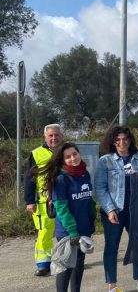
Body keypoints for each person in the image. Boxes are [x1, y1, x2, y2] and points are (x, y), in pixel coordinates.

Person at [94, 126, 138, 292]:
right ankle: (112, 286)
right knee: (111, 247)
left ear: (130, 140)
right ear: (113, 141)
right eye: (118, 139)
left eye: (125, 139)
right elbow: (100, 188)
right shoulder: (105, 161)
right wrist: (109, 210)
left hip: (136, 210)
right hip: (115, 211)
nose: (122, 142)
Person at [40, 143, 95, 292]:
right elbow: (62, 209)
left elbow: (88, 200)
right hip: (68, 232)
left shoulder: (85, 174)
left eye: (75, 154)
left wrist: (91, 220)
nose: (73, 158)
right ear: (62, 160)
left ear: (79, 153)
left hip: (84, 229)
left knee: (79, 265)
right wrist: (72, 231)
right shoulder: (61, 179)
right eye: (68, 157)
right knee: (65, 268)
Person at [25, 123, 64, 276]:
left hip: (64, 199)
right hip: (43, 202)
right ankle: (43, 264)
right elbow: (29, 179)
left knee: (65, 232)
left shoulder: (67, 151)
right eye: (51, 135)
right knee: (45, 232)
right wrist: (29, 201)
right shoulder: (36, 153)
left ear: (62, 136)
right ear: (45, 137)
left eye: (56, 135)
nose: (54, 138)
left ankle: (64, 260)